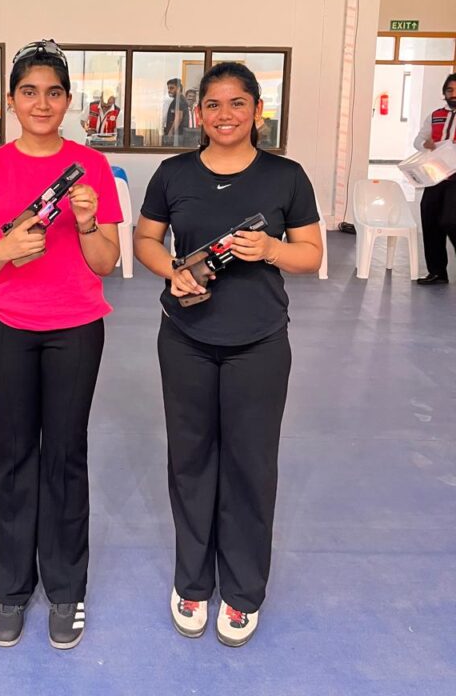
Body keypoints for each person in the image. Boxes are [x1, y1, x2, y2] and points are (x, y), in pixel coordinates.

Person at [134, 61, 322, 648]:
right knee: (190, 461)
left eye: (237, 103)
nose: (224, 114)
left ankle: (242, 591)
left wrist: (270, 249)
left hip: (259, 344)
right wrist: (173, 271)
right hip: (185, 338)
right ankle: (192, 582)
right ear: (198, 114)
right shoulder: (173, 173)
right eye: (212, 104)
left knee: (249, 466)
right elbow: (145, 239)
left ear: (257, 111)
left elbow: (311, 254)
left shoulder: (286, 176)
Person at [0, 39, 122, 650]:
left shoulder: (91, 167)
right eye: (29, 92)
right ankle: (11, 586)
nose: (42, 103)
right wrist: (4, 250)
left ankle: (66, 587)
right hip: (7, 328)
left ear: (69, 101)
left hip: (76, 327)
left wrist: (86, 223)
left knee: (66, 454)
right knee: (15, 452)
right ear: (11, 101)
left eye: (54, 92)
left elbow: (105, 261)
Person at [413, 72, 456, 285]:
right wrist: (426, 145)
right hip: (435, 177)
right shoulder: (435, 115)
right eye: (449, 90)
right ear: (444, 93)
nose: (453, 94)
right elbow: (418, 141)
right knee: (429, 221)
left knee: (450, 220)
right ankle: (438, 272)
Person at [163, 78, 188, 146]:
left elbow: (178, 117)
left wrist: (171, 132)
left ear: (178, 89)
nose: (169, 90)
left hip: (177, 136)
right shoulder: (177, 100)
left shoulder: (179, 100)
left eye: (171, 88)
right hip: (177, 136)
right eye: (168, 88)